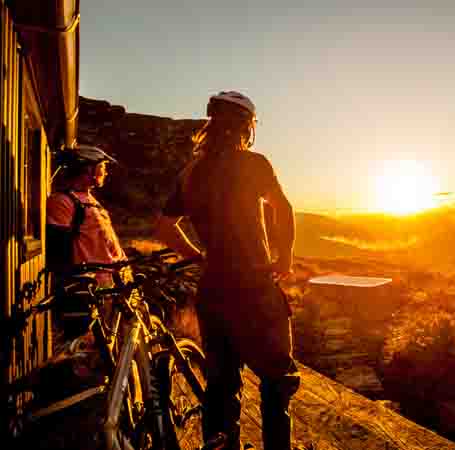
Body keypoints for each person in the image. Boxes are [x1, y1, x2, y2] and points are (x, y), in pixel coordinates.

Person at [155, 91, 299, 450]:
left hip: (214, 290)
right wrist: (285, 258)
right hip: (254, 288)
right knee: (277, 380)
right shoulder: (253, 163)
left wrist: (200, 254)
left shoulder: (190, 173)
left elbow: (164, 227)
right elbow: (283, 208)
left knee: (220, 386)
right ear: (247, 126)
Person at [46, 144, 127, 287]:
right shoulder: (62, 201)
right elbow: (59, 251)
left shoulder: (88, 199)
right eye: (102, 167)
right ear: (88, 169)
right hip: (92, 286)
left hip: (114, 280)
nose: (105, 173)